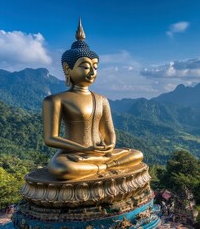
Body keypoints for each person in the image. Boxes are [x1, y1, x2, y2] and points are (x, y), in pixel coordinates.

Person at [43, 19, 143, 180]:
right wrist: (84, 148)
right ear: (68, 69)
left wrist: (110, 144)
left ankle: (102, 165)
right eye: (85, 66)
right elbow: (50, 138)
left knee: (136, 154)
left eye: (95, 67)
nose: (92, 72)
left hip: (99, 154)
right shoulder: (55, 100)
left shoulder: (101, 99)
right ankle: (102, 165)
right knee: (62, 169)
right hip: (72, 154)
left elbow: (109, 132)